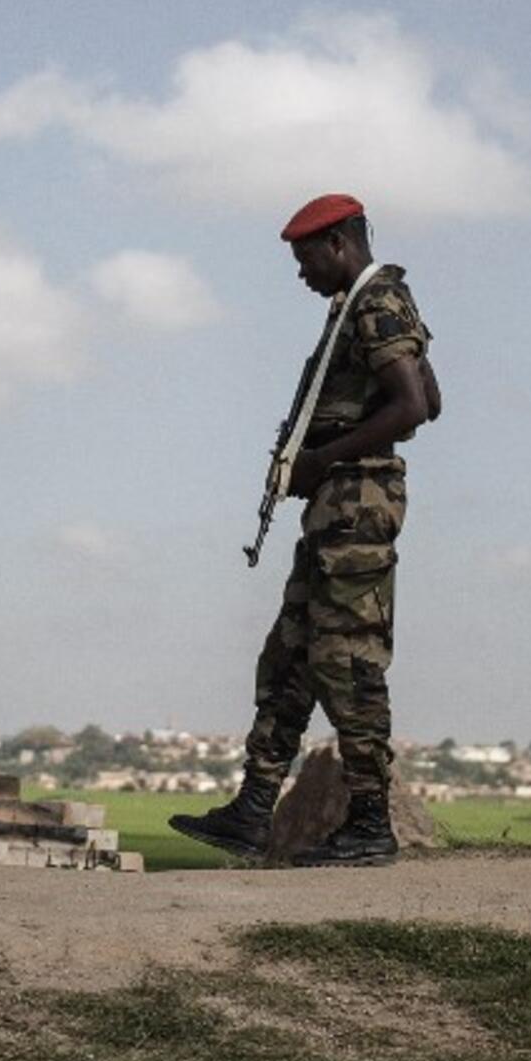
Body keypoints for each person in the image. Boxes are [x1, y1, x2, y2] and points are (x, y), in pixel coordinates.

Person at [170, 192, 440, 866]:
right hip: (338, 508)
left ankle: (371, 823)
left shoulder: (376, 302)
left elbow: (411, 406)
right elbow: (430, 397)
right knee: (291, 656)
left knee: (346, 663)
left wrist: (322, 457)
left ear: (340, 245)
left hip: (357, 506)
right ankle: (252, 811)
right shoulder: (360, 305)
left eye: (306, 257)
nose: (302, 273)